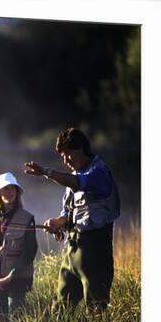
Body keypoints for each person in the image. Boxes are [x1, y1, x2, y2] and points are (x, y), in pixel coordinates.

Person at [24, 128, 120, 311]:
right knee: (60, 307)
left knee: (96, 308)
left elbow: (80, 184)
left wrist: (46, 171)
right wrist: (58, 223)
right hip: (72, 249)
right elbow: (68, 213)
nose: (66, 160)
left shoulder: (99, 173)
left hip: (95, 249)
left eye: (68, 154)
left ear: (82, 148)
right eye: (62, 156)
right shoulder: (73, 178)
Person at [0, 172, 38, 321]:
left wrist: (9, 277)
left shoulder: (27, 219)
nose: (10, 192)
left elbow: (29, 253)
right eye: (5, 188)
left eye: (13, 188)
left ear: (17, 192)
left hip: (17, 283)